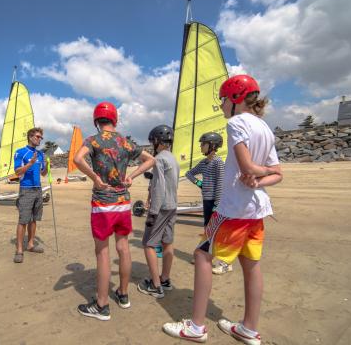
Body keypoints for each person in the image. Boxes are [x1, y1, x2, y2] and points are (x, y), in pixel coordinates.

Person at [163, 74, 283, 344]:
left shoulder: (238, 123)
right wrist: (260, 178)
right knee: (251, 266)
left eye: (223, 99)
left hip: (233, 210)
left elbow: (247, 167)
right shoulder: (264, 128)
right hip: (257, 210)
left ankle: (195, 327)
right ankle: (249, 329)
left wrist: (254, 173)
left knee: (202, 255)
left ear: (236, 98)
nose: (221, 105)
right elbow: (278, 174)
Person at [73, 101, 155, 321]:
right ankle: (123, 294)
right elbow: (150, 160)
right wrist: (131, 176)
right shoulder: (125, 142)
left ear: (96, 120)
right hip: (123, 203)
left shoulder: (93, 140)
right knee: (124, 247)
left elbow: (77, 159)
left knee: (103, 253)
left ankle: (101, 305)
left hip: (103, 204)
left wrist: (95, 178)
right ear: (114, 119)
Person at [137, 125, 180, 299]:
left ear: (157, 141)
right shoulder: (173, 158)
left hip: (161, 207)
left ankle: (155, 285)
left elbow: (160, 187)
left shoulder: (159, 159)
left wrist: (153, 212)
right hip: (172, 206)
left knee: (148, 244)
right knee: (168, 242)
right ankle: (165, 279)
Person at [185, 132, 230, 275]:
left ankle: (225, 262)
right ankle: (204, 254)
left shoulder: (218, 162)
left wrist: (217, 203)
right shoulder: (204, 163)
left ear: (212, 146)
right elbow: (189, 173)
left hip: (216, 202)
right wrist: (199, 183)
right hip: (206, 201)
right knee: (207, 229)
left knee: (217, 231)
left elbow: (220, 184)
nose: (200, 146)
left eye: (203, 144)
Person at [12, 127, 48, 263]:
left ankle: (31, 244)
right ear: (31, 137)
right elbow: (17, 172)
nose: (40, 139)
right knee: (23, 220)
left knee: (34, 219)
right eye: (38, 137)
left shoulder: (40, 154)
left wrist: (47, 166)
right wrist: (30, 163)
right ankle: (19, 250)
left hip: (38, 189)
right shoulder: (20, 152)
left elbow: (43, 173)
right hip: (26, 189)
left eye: (41, 137)